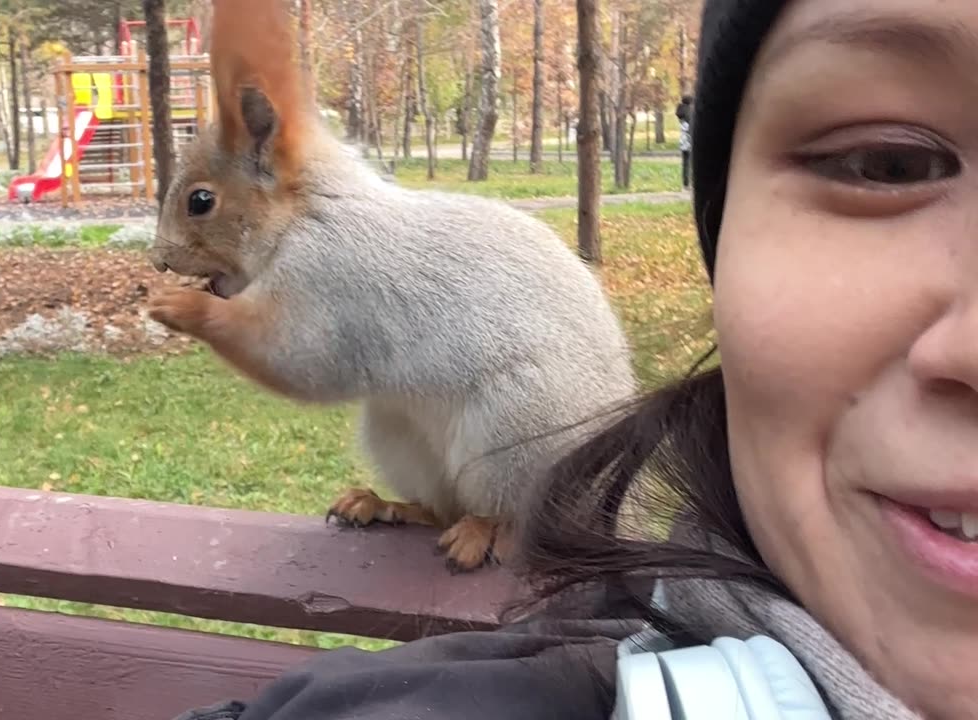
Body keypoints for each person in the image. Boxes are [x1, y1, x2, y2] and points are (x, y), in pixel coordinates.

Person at [173, 0, 978, 717]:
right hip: (445, 409)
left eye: (200, 209)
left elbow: (314, 368)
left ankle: (502, 509)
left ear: (265, 170)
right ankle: (441, 504)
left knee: (501, 401)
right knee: (397, 420)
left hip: (518, 397)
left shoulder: (329, 247)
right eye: (888, 162)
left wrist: (213, 320)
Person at [676, 94, 694, 188]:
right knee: (692, 162)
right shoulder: (689, 114)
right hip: (690, 140)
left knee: (685, 163)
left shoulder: (680, 113)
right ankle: (692, 182)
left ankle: (685, 183)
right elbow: (691, 128)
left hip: (683, 141)